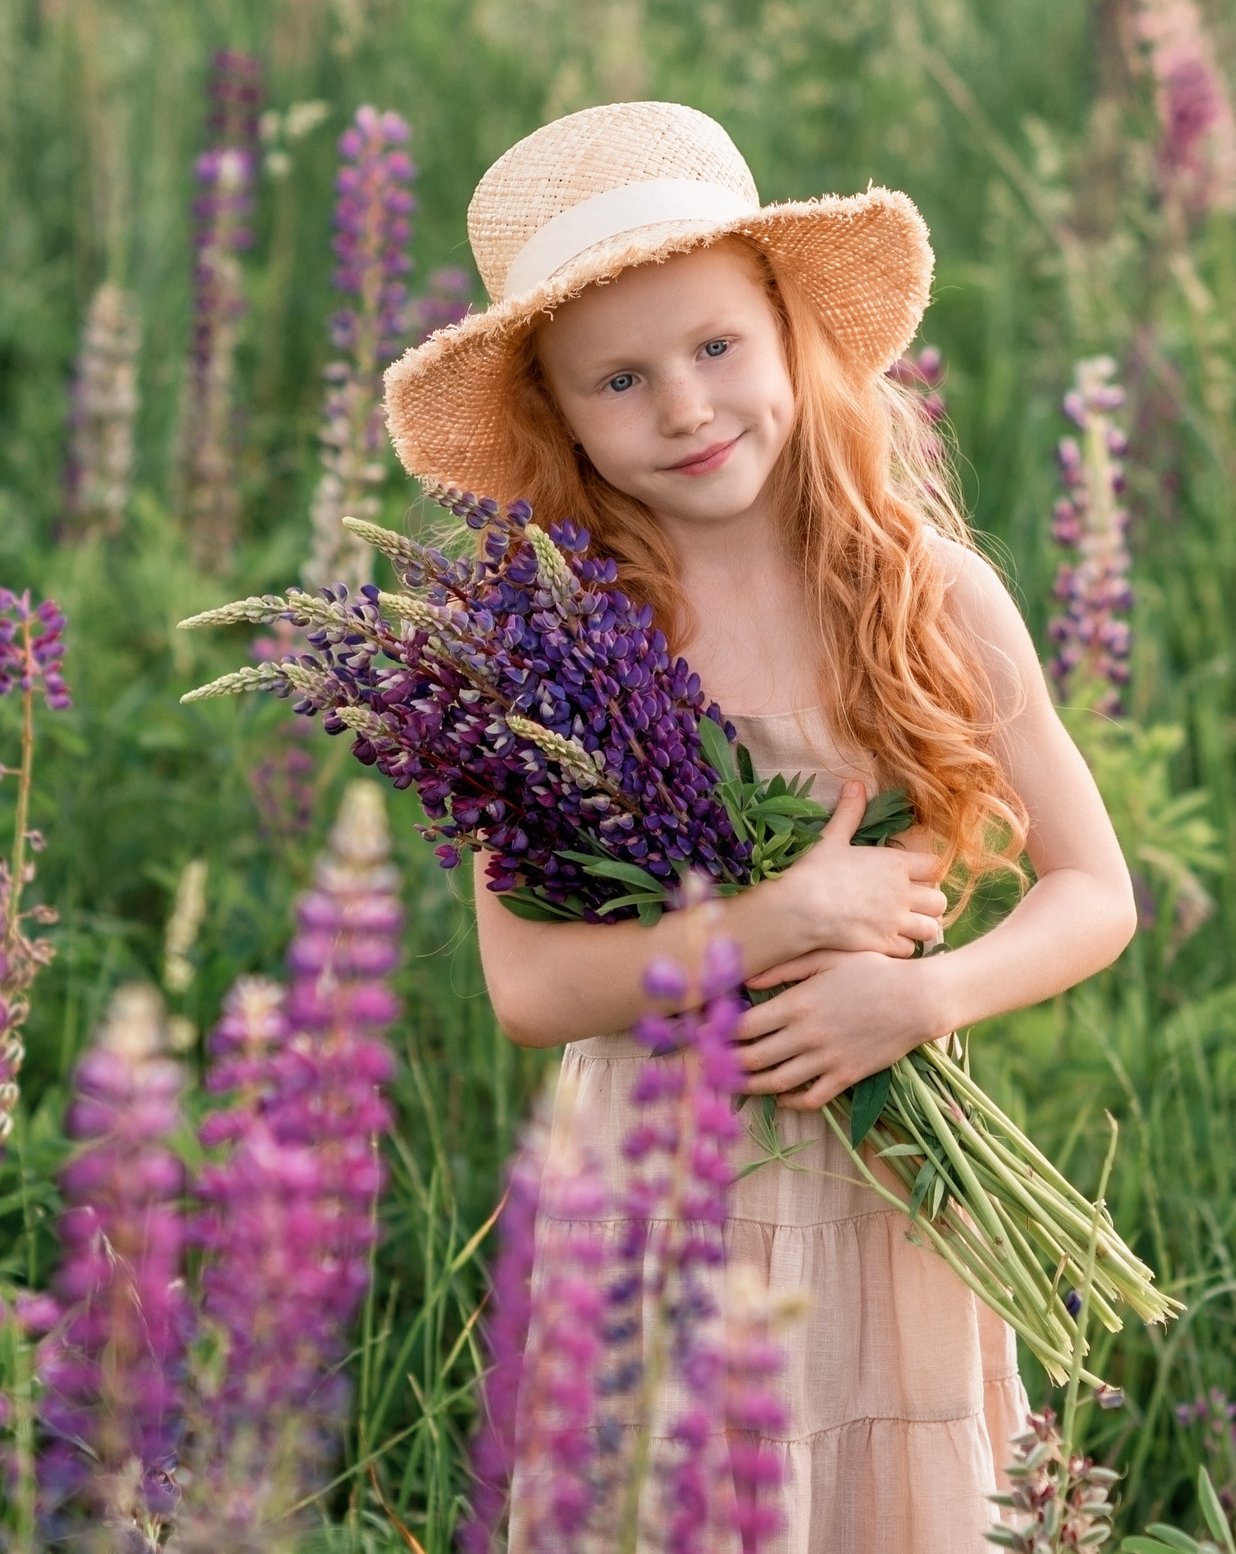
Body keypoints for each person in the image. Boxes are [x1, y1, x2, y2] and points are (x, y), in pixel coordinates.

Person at [383, 101, 1137, 1550]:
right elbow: (529, 989)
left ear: (792, 333)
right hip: (656, 1198)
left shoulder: (926, 589)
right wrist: (775, 922)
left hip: (892, 1183)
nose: (685, 408)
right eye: (620, 380)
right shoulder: (563, 644)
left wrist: (921, 998)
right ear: (556, 415)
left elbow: (1094, 891)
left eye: (718, 347)